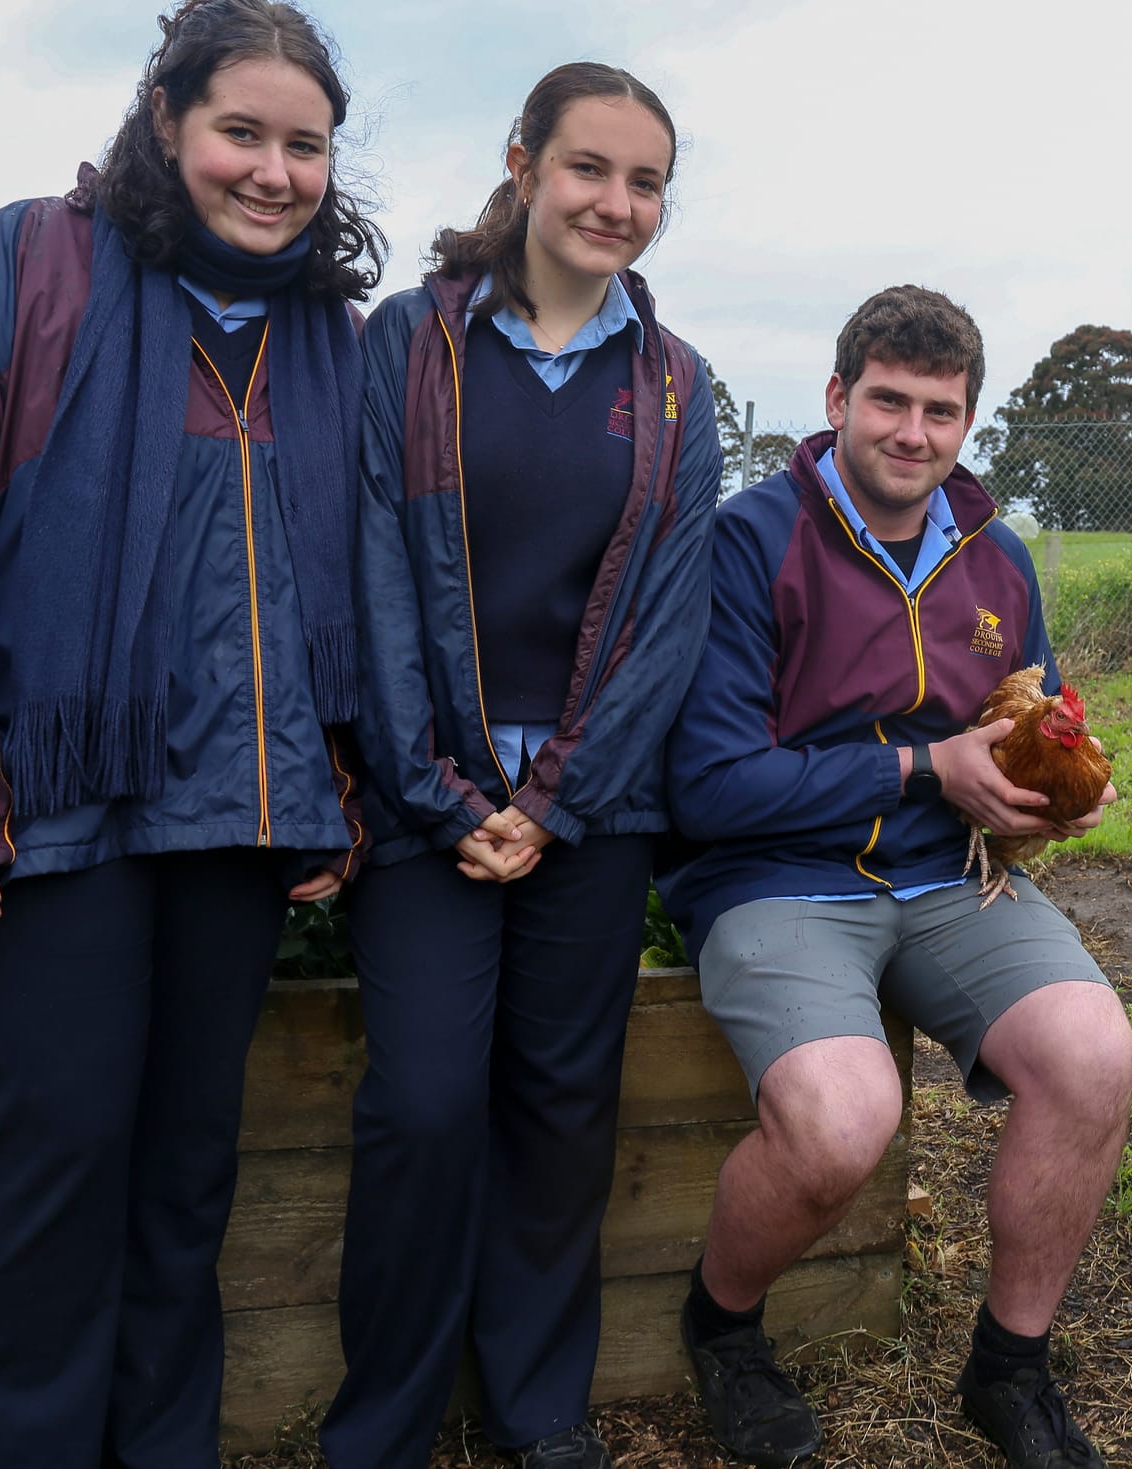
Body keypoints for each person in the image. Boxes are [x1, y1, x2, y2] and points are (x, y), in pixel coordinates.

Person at [0, 2, 378, 1463]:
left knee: (183, 1182)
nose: (273, 171)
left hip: (232, 822)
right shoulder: (28, 265)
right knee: (50, 1173)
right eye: (240, 131)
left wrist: (334, 782)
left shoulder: (326, 338)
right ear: (164, 120)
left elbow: (344, 582)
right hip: (41, 818)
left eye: (305, 146)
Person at [657, 285, 1132, 1469]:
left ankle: (1009, 1367)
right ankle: (723, 1324)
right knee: (841, 1122)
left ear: (967, 421)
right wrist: (924, 766)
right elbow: (708, 786)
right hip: (777, 875)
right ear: (836, 398)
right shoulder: (748, 541)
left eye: (939, 410)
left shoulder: (996, 556)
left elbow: (1029, 721)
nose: (912, 432)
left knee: (1092, 1053)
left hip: (950, 873)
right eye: (888, 401)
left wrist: (1053, 792)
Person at [321, 63, 720, 1469]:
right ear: (523, 164)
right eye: (589, 168)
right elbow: (372, 573)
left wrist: (553, 798)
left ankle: (539, 1409)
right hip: (424, 798)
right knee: (424, 1105)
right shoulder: (413, 342)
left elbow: (669, 615)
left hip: (590, 809)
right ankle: (383, 1422)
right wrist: (439, 791)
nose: (616, 202)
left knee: (562, 1111)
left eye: (645, 181)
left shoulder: (674, 384)